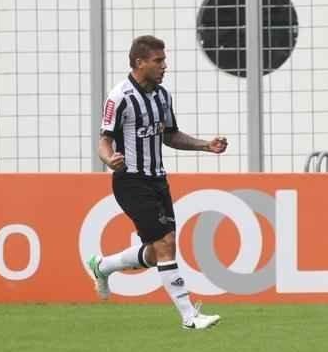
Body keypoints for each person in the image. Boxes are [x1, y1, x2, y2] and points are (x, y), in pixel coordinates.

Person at [86, 35, 228, 330]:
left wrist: (205, 145)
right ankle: (189, 316)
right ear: (140, 63)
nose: (165, 66)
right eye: (158, 61)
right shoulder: (119, 97)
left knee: (155, 253)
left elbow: (170, 135)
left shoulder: (162, 96)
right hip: (131, 181)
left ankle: (103, 266)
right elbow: (104, 141)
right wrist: (109, 159)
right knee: (166, 243)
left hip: (158, 180)